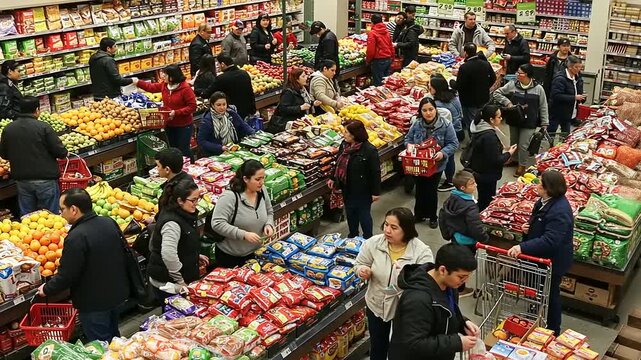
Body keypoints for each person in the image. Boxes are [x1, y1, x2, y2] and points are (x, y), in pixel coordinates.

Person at [38, 188, 129, 342]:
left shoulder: (76, 237)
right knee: (114, 339)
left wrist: (46, 289)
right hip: (116, 294)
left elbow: (67, 274)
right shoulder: (108, 222)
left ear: (74, 209)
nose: (60, 214)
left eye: (62, 209)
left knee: (100, 345)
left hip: (94, 302)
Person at [355, 207, 434, 360]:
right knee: (378, 346)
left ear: (406, 229)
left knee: (401, 350)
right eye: (386, 225)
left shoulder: (421, 252)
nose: (387, 230)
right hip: (376, 304)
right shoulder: (374, 243)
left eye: (394, 227)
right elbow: (359, 263)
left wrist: (404, 276)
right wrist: (362, 270)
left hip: (405, 311)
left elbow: (425, 284)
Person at [507, 170, 573, 336]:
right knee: (539, 288)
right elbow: (539, 222)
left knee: (551, 296)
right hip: (538, 258)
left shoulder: (560, 211)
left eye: (539, 183)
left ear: (548, 189)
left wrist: (522, 247)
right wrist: (527, 229)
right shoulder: (543, 202)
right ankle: (536, 309)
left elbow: (551, 240)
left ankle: (553, 330)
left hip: (552, 261)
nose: (536, 185)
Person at [388, 243, 480, 360]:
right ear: (442, 270)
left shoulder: (449, 286)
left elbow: (444, 312)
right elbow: (413, 343)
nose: (465, 281)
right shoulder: (417, 299)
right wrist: (456, 343)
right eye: (461, 277)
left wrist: (462, 323)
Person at [0, 97, 67, 216]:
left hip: (22, 180)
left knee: (28, 218)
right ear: (37, 110)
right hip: (45, 179)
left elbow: (4, 155)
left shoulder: (8, 129)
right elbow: (61, 153)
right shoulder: (43, 127)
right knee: (50, 216)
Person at [148, 179, 208, 303]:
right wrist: (180, 282)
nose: (196, 203)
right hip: (168, 284)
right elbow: (168, 255)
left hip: (175, 278)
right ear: (180, 201)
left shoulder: (183, 213)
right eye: (193, 200)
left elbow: (183, 243)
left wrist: (195, 255)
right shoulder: (172, 223)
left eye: (198, 199)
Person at [405, 97, 459, 228]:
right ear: (420, 111)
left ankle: (432, 216)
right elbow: (408, 139)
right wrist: (411, 148)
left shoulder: (445, 124)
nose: (428, 113)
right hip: (419, 164)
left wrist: (442, 153)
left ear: (436, 109)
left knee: (431, 191)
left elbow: (453, 143)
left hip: (436, 165)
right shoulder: (417, 124)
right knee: (420, 190)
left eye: (431, 109)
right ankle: (418, 214)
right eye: (424, 110)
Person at [211, 159, 275, 268]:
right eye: (258, 179)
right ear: (245, 179)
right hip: (231, 257)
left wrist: (269, 224)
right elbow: (217, 223)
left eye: (263, 178)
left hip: (255, 253)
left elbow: (269, 211)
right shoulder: (230, 197)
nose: (262, 182)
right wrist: (243, 234)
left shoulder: (262, 190)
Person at [492, 63, 549, 177]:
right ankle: (513, 159)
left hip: (529, 122)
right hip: (514, 119)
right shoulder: (512, 85)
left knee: (523, 145)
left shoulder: (538, 89)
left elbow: (543, 106)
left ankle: (522, 165)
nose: (517, 75)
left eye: (520, 73)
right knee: (513, 141)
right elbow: (497, 93)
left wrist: (544, 122)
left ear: (527, 75)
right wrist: (507, 102)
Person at [328, 120, 381, 238]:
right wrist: (332, 177)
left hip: (363, 189)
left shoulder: (369, 150)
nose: (344, 134)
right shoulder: (344, 145)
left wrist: (375, 192)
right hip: (347, 186)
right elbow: (338, 162)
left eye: (346, 132)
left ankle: (368, 238)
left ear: (354, 134)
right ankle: (353, 235)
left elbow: (375, 172)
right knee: (350, 213)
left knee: (364, 215)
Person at [134, 65, 197, 160]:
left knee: (183, 150)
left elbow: (192, 107)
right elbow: (151, 87)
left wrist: (176, 112)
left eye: (165, 74)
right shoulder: (165, 85)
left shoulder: (185, 89)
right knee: (172, 149)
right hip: (169, 124)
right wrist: (137, 82)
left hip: (183, 125)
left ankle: (191, 167)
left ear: (172, 77)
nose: (163, 76)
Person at [468, 104, 517, 211]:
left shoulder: (479, 127)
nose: (501, 119)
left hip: (479, 170)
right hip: (487, 174)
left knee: (482, 196)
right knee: (487, 200)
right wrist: (509, 153)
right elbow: (496, 160)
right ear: (491, 119)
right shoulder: (489, 136)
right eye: (499, 117)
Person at [439, 170, 489, 252]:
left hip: (455, 237)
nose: (476, 185)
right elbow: (475, 226)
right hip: (468, 242)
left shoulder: (450, 199)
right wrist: (484, 238)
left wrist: (447, 234)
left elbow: (442, 216)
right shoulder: (470, 207)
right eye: (472, 184)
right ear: (463, 188)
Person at [455, 43, 497, 139]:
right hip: (483, 98)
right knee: (482, 120)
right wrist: (486, 87)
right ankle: (483, 137)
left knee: (471, 123)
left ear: (465, 53)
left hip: (469, 101)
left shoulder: (464, 67)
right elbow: (493, 78)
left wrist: (452, 83)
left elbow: (459, 85)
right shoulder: (485, 64)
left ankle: (474, 142)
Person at [430, 74, 463, 192]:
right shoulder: (453, 96)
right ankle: (450, 179)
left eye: (431, 86)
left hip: (448, 132)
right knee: (451, 156)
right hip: (458, 129)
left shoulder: (438, 104)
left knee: (446, 156)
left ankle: (449, 181)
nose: (429, 89)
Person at [198, 92, 255, 156]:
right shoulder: (207, 120)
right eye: (218, 105)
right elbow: (202, 141)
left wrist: (254, 133)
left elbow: (243, 125)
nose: (222, 107)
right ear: (212, 105)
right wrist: (220, 148)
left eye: (224, 104)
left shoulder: (231, 113)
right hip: (217, 153)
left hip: (233, 148)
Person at [203, 54, 256, 119]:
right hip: (247, 111)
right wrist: (253, 110)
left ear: (222, 64)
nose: (218, 67)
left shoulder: (222, 78)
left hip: (232, 114)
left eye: (218, 64)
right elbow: (251, 93)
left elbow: (206, 94)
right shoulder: (244, 73)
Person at [269, 68, 321, 133]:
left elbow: (305, 102)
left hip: (302, 122)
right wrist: (300, 108)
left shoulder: (304, 89)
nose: (306, 78)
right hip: (291, 124)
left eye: (305, 75)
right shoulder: (288, 92)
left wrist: (313, 103)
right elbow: (283, 109)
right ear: (296, 79)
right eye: (303, 76)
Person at [549, 55, 585, 134]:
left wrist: (582, 98)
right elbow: (556, 95)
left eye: (580, 67)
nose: (578, 69)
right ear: (569, 67)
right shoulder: (560, 78)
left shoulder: (577, 78)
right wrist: (574, 97)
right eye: (576, 67)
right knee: (551, 133)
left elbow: (578, 92)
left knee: (565, 135)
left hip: (569, 112)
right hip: (557, 112)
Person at [366, 14, 394, 86]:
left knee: (378, 84)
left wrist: (368, 60)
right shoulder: (387, 31)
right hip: (388, 59)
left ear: (372, 22)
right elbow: (391, 45)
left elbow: (370, 50)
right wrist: (392, 57)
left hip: (378, 61)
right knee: (386, 83)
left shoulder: (372, 33)